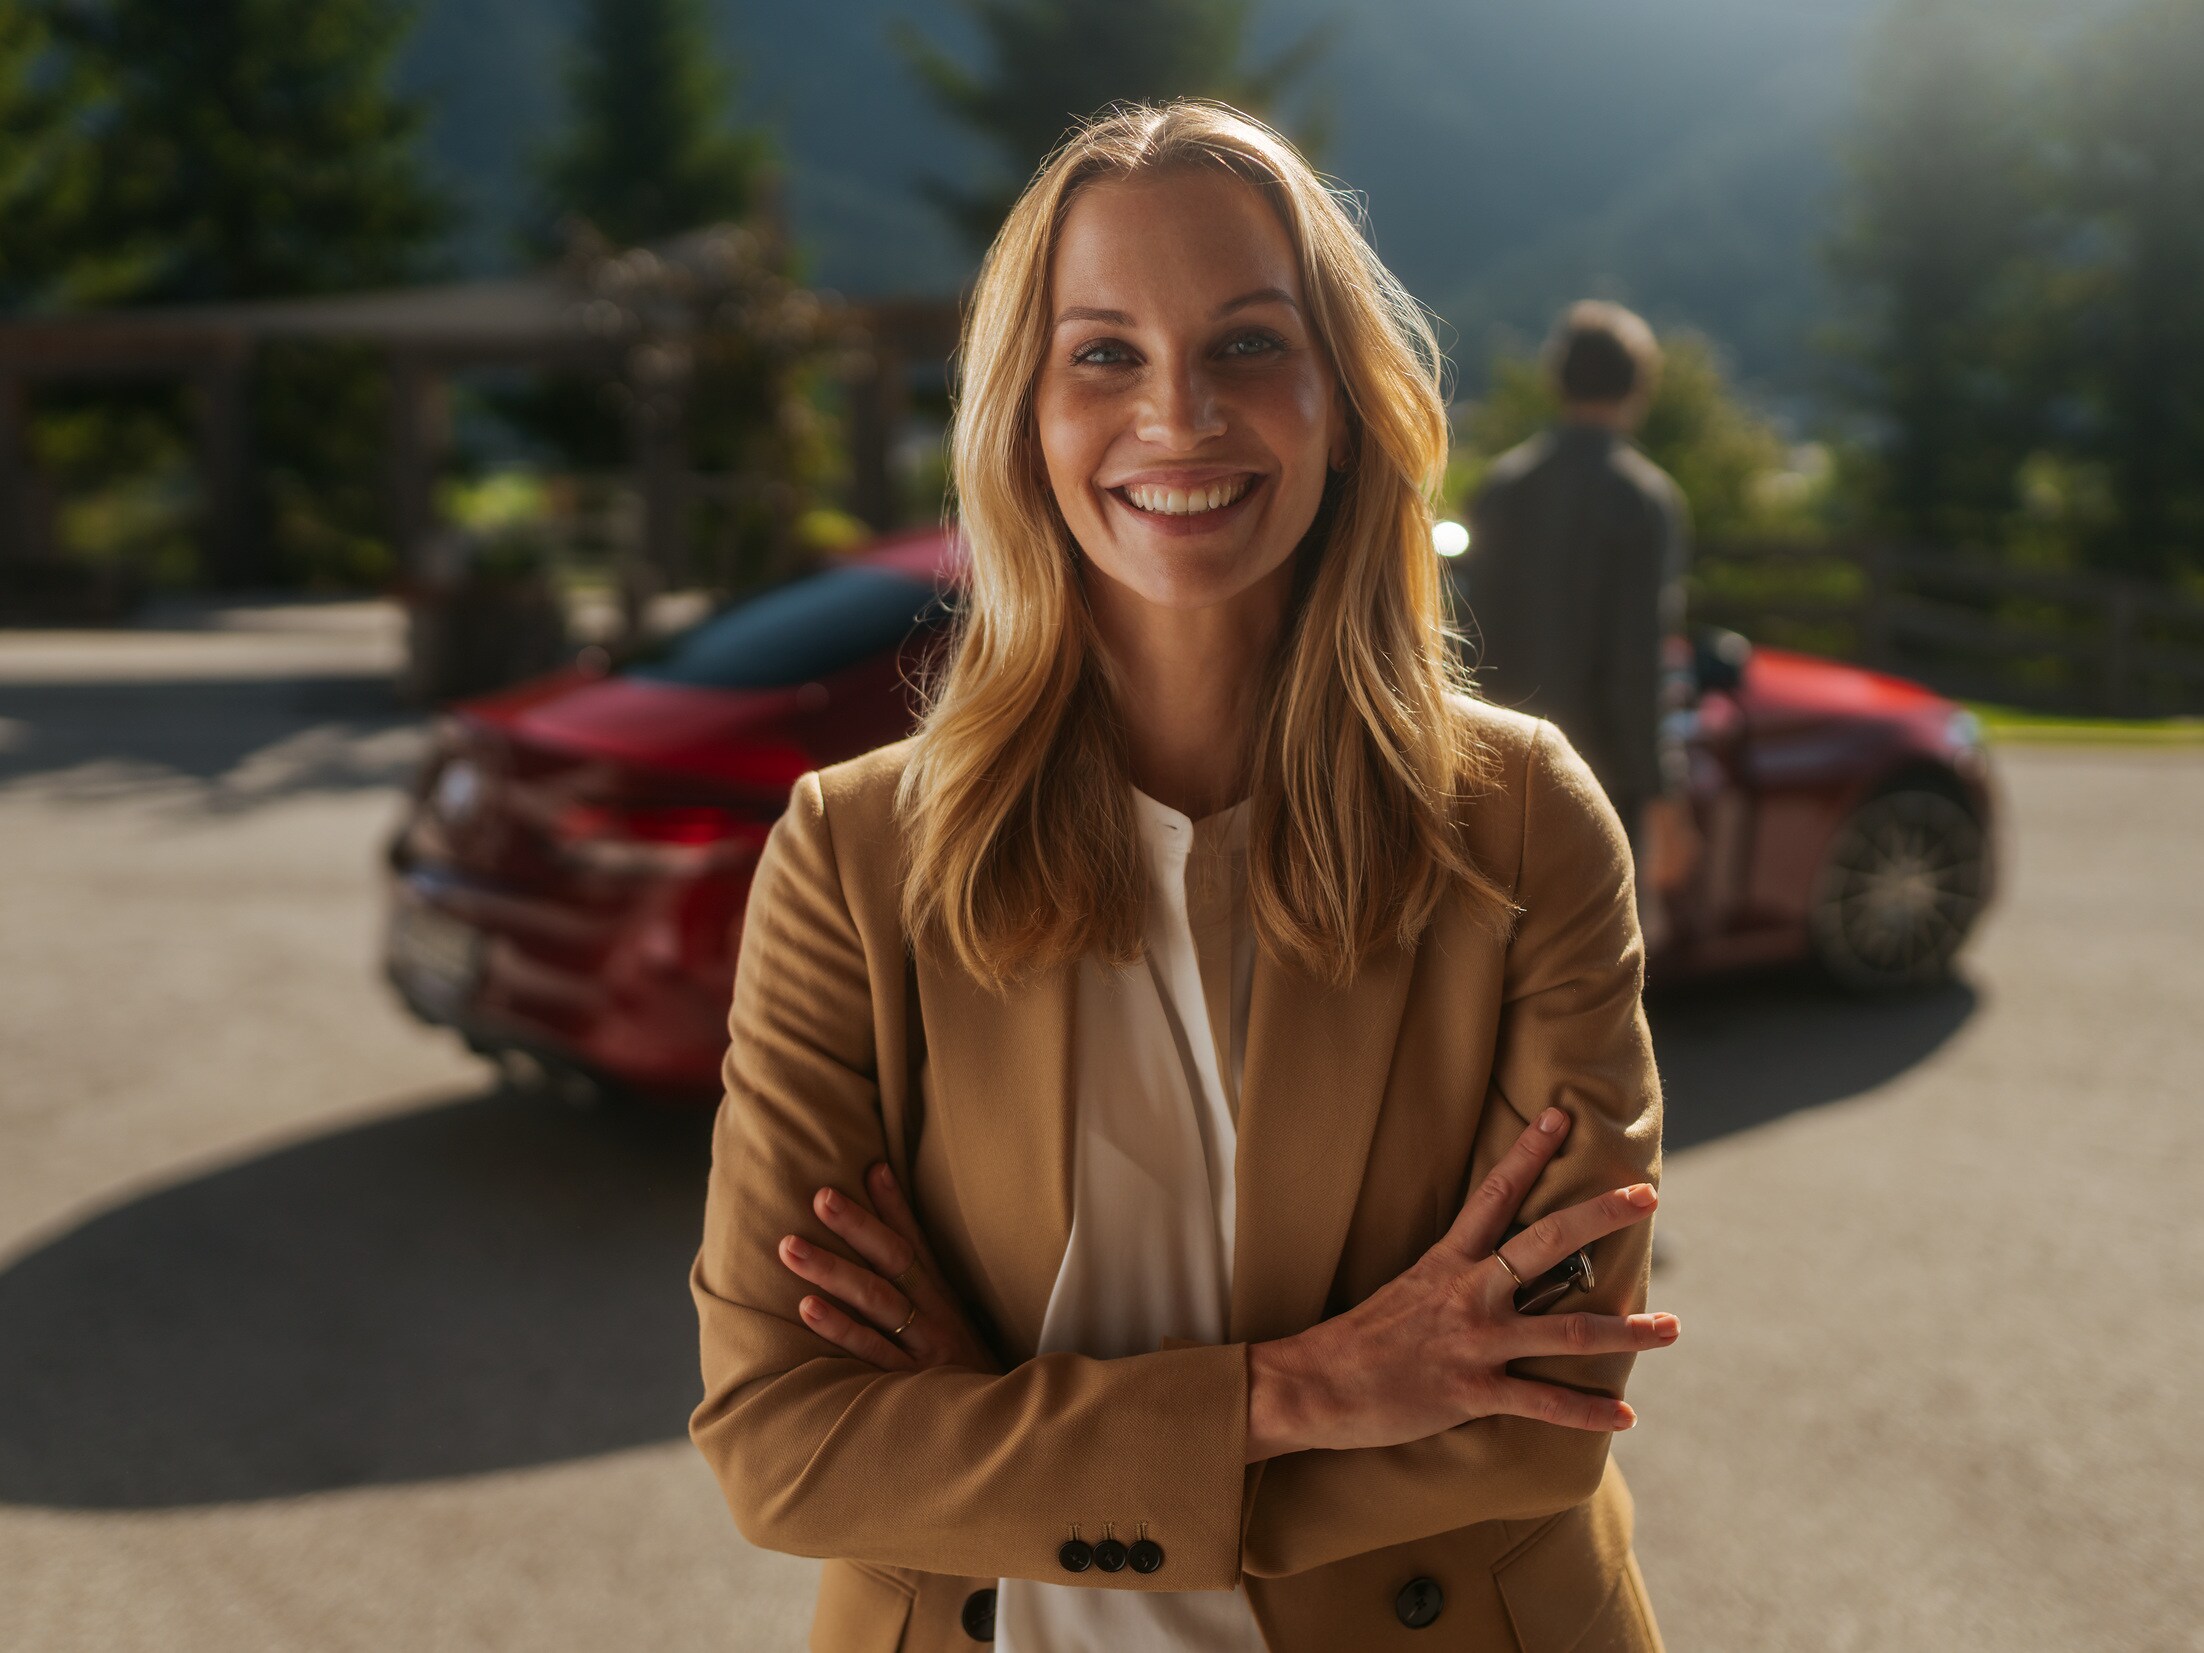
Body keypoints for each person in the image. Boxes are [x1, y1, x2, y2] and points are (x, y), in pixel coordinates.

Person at [690, 103, 1676, 1652]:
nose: (1177, 415)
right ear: (1024, 415)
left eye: (1245, 346)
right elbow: (784, 1445)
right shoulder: (854, 856)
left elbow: (1537, 1413)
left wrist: (996, 1426)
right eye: (1103, 354)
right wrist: (1314, 1392)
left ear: (1343, 404)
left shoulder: (1525, 822)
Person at [1457, 300, 1699, 898]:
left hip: (1493, 778)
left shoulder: (1500, 487)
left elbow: (1460, 637)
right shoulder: (1644, 500)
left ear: (1555, 380)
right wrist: (1664, 799)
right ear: (1638, 387)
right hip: (1599, 786)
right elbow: (1639, 662)